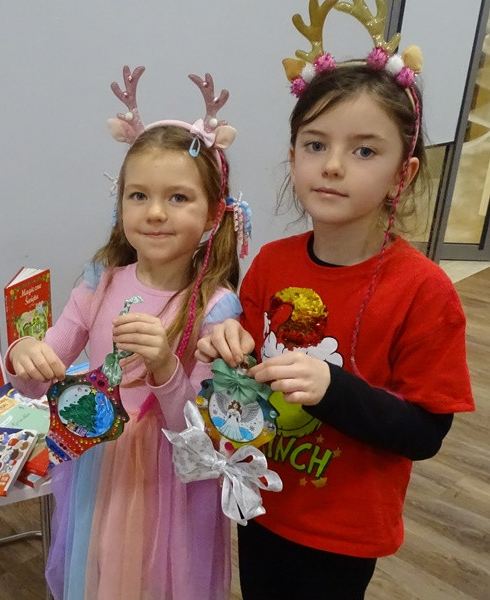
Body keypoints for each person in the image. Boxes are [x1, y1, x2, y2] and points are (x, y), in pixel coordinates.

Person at [196, 3, 475, 599]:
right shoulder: (272, 262)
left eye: (365, 150)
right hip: (261, 497)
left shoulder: (424, 291)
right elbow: (248, 362)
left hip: (344, 530)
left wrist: (334, 390)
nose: (333, 166)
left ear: (403, 174)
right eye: (315, 144)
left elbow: (425, 432)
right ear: (293, 156)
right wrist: (227, 343)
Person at [5, 66, 251, 599]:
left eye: (178, 198)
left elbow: (200, 432)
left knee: (162, 579)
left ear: (214, 214)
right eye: (138, 195)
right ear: (120, 205)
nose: (155, 212)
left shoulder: (216, 306)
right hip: (101, 467)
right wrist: (23, 353)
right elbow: (39, 376)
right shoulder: (99, 282)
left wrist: (165, 366)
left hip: (170, 484)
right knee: (101, 574)